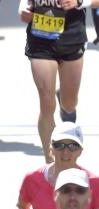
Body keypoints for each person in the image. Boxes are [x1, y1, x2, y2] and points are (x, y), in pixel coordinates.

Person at [19, 0, 99, 163]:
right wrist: (22, 10)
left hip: (72, 38)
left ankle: (62, 96)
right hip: (40, 40)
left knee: (69, 104)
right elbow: (24, 3)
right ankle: (49, 159)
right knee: (47, 105)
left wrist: (79, 2)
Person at [16, 122, 99, 209]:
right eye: (59, 145)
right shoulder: (32, 178)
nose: (65, 152)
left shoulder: (93, 182)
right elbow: (20, 207)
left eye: (73, 146)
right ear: (51, 148)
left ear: (80, 151)